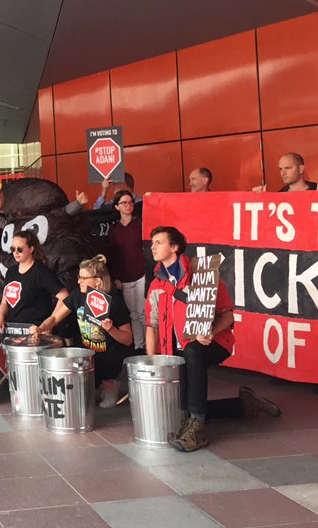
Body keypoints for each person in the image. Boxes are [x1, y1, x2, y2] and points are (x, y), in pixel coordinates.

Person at [145, 226, 280, 452]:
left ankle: (197, 430)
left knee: (192, 353)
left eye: (159, 242)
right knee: (184, 404)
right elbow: (152, 324)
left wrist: (211, 331)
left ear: (175, 247)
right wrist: (152, 360)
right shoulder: (156, 284)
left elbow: (228, 315)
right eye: (152, 243)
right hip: (176, 351)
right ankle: (242, 405)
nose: (153, 247)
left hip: (213, 342)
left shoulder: (202, 274)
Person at [38, 255, 134, 407]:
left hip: (108, 356)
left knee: (101, 401)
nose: (78, 281)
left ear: (98, 281)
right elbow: (55, 317)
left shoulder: (115, 302)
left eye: (83, 278)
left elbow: (128, 339)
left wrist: (111, 329)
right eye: (79, 277)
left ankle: (109, 384)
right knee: (78, 397)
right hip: (86, 353)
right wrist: (40, 328)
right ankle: (93, 385)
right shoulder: (78, 294)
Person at [0, 229, 68, 337]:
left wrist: (49, 324)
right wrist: (0, 318)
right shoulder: (11, 272)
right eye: (13, 249)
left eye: (20, 249)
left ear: (31, 249)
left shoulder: (40, 271)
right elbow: (4, 301)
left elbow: (64, 296)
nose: (15, 252)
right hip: (14, 331)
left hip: (36, 331)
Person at [106, 190, 146, 350]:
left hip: (141, 273)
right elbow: (113, 255)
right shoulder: (114, 229)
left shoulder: (140, 224)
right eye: (124, 203)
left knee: (143, 312)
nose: (128, 205)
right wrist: (115, 277)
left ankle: (149, 347)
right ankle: (138, 346)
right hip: (124, 276)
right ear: (117, 206)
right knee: (133, 314)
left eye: (130, 202)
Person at [253, 152, 318, 193]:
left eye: (287, 168)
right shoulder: (279, 196)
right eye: (280, 169)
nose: (283, 173)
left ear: (301, 169)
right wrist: (260, 199)